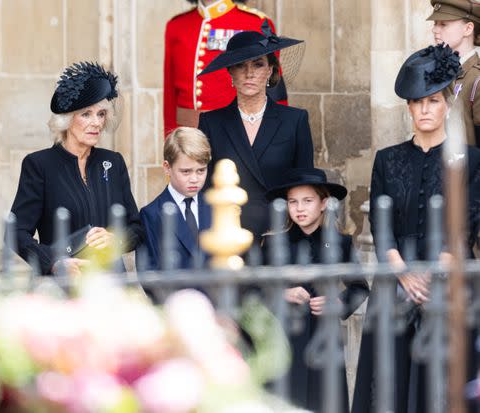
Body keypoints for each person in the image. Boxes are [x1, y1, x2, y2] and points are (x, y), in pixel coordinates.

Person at [351, 44, 480, 413]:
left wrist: (432, 270)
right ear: (408, 107)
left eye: (434, 101)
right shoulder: (387, 160)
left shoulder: (471, 161)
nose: (425, 110)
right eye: (418, 102)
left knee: (443, 382)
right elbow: (381, 223)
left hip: (449, 282)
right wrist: (404, 273)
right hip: (395, 278)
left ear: (446, 105)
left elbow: (465, 225)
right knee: (391, 381)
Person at [10, 62, 144, 275]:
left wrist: (116, 239)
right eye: (86, 114)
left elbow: (136, 227)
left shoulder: (113, 162)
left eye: (101, 114)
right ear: (66, 119)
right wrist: (53, 263)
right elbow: (16, 233)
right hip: (65, 285)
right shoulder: (39, 165)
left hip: (111, 283)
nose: (96, 123)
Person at [263, 168, 369, 412]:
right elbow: (254, 291)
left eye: (307, 201)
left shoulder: (339, 242)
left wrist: (339, 303)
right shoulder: (272, 243)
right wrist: (282, 294)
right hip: (284, 338)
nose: (299, 208)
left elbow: (359, 287)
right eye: (293, 202)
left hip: (325, 338)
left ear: (323, 204)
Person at [197, 20, 313, 241]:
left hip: (280, 236)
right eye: (241, 65)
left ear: (270, 70)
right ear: (230, 71)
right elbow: (204, 189)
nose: (249, 73)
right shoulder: (211, 123)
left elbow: (304, 187)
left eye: (258, 64)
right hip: (228, 237)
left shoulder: (295, 120)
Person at [163, 0, 288, 136]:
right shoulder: (176, 26)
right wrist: (170, 142)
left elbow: (274, 90)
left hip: (236, 137)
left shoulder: (256, 23)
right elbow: (170, 95)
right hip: (186, 139)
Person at [139, 127, 212, 270]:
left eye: (201, 170)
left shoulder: (216, 206)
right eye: (186, 171)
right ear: (167, 167)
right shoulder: (151, 214)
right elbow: (149, 274)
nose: (194, 179)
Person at [428, 0, 480, 146]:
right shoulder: (437, 71)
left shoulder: (476, 79)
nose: (435, 30)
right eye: (435, 24)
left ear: (468, 29)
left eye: (443, 24)